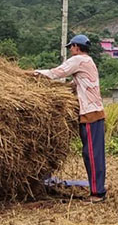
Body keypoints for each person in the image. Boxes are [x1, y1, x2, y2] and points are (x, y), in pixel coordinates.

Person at [35, 34, 107, 203]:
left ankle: (97, 193)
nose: (70, 50)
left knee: (91, 154)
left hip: (90, 113)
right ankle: (99, 189)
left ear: (76, 46)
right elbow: (78, 84)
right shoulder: (89, 61)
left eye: (71, 47)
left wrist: (33, 74)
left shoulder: (78, 60)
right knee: (94, 153)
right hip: (96, 111)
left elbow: (56, 73)